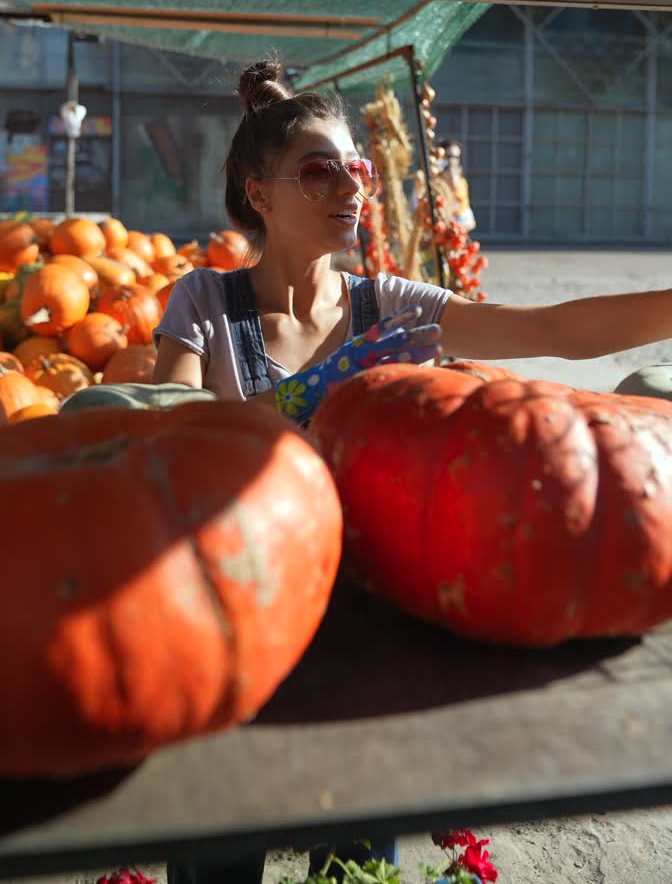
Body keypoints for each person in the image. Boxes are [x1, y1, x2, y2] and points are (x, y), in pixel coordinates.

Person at [153, 57, 672, 882]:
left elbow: (557, 330)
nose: (351, 188)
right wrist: (310, 396)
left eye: (354, 168)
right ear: (258, 193)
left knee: (359, 848)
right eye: (320, 171)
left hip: (371, 608)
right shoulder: (203, 305)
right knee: (220, 839)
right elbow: (168, 421)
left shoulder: (393, 306)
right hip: (241, 602)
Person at [434, 138, 476, 233]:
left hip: (457, 233)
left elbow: (468, 215)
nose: (453, 161)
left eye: (456, 157)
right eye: (449, 156)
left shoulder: (462, 182)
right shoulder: (434, 183)